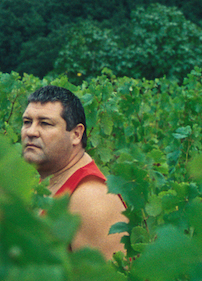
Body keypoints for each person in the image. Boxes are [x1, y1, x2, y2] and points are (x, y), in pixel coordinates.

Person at [21, 85, 127, 259]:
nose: (31, 132)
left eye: (45, 123)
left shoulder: (90, 198)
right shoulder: (50, 183)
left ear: (76, 134)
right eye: (27, 122)